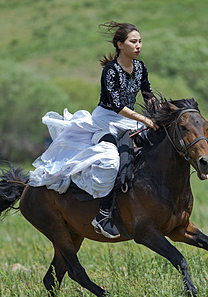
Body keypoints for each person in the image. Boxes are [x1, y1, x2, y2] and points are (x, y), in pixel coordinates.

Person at [29, 21, 158, 239]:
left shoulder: (141, 67)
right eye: (133, 41)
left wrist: (158, 109)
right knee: (110, 161)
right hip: (105, 121)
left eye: (140, 41)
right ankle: (103, 215)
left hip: (129, 122)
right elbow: (118, 106)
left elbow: (147, 93)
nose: (138, 45)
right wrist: (145, 119)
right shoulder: (111, 71)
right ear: (120, 44)